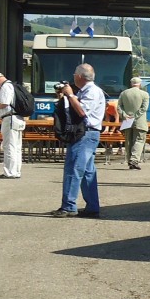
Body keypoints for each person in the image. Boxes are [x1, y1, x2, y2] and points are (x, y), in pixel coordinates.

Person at [52, 63, 105, 218]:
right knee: (88, 171)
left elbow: (82, 111)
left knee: (73, 168)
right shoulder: (87, 91)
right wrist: (65, 97)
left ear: (80, 76)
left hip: (85, 134)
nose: (73, 77)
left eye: (75, 74)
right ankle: (92, 206)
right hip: (89, 134)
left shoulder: (92, 91)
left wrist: (70, 95)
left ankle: (69, 206)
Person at [0, 71, 25, 179]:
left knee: (9, 146)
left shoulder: (5, 87)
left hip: (9, 119)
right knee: (17, 147)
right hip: (17, 118)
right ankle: (16, 171)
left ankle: (9, 172)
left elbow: (5, 103)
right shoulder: (13, 86)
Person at [117, 76, 150, 170]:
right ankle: (134, 160)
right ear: (140, 84)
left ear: (131, 84)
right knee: (139, 140)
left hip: (127, 120)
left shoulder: (123, 93)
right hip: (140, 121)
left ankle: (129, 160)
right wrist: (135, 116)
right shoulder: (145, 94)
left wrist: (124, 115)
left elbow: (119, 106)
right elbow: (144, 108)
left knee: (128, 141)